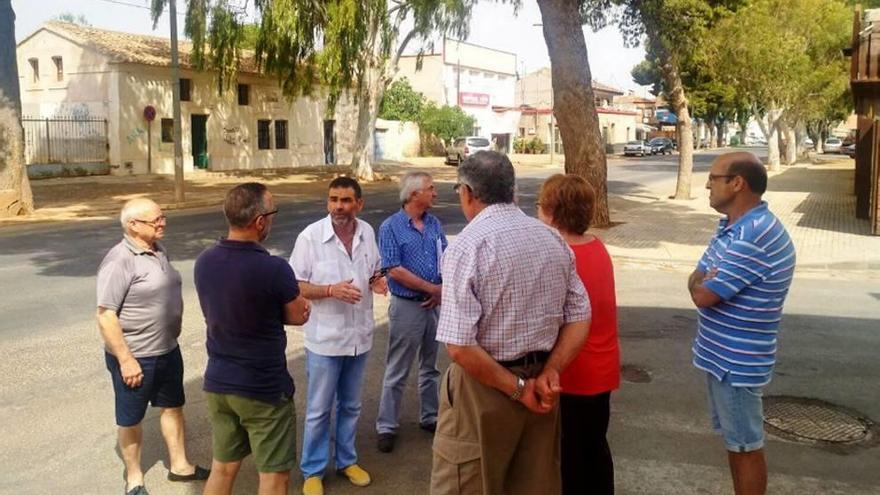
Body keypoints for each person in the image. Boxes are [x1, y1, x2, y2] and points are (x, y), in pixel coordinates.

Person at [431, 151, 592, 495]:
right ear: (512, 190)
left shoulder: (468, 246)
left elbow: (459, 346)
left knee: (467, 482)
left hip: (484, 389)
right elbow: (580, 315)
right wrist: (551, 372)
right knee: (533, 483)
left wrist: (517, 389)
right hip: (542, 387)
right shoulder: (552, 239)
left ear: (468, 193)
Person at [688, 152, 796, 495]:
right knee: (737, 444)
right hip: (723, 360)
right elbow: (697, 277)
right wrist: (704, 281)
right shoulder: (732, 227)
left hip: (736, 364)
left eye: (714, 177)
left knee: (746, 447)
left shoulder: (753, 235)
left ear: (738, 183)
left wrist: (704, 283)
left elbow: (702, 295)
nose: (707, 184)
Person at [194, 183, 311, 495]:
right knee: (274, 477)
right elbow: (298, 314)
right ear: (260, 221)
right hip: (263, 389)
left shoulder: (205, 261)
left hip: (218, 384)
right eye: (271, 213)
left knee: (223, 468)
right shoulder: (273, 268)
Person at [96, 198, 209, 495]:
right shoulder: (119, 260)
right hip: (135, 356)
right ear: (132, 225)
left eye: (163, 217)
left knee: (172, 407)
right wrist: (125, 359)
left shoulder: (157, 249)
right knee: (131, 418)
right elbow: (106, 315)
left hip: (167, 349)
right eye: (155, 220)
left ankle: (180, 466)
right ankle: (134, 479)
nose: (162, 223)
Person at [290, 177, 387, 495]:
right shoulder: (311, 237)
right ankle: (313, 470)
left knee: (351, 405)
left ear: (359, 204)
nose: (338, 207)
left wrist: (378, 282)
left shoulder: (367, 232)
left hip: (360, 336)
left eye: (346, 200)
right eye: (333, 199)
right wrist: (331, 290)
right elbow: (297, 284)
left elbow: (374, 269)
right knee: (319, 408)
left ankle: (347, 461)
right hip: (325, 339)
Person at [537, 174, 620, 495]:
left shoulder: (558, 254)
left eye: (541, 206)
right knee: (594, 449)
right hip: (602, 367)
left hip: (570, 370)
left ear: (553, 212)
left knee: (569, 461)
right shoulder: (598, 247)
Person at [375, 172, 447, 453]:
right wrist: (431, 288)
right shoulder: (391, 227)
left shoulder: (434, 223)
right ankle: (386, 425)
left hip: (433, 303)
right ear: (414, 194)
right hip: (408, 306)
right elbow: (393, 268)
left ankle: (429, 416)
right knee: (398, 367)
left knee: (431, 366)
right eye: (431, 189)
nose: (435, 193)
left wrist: (439, 288)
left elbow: (445, 256)